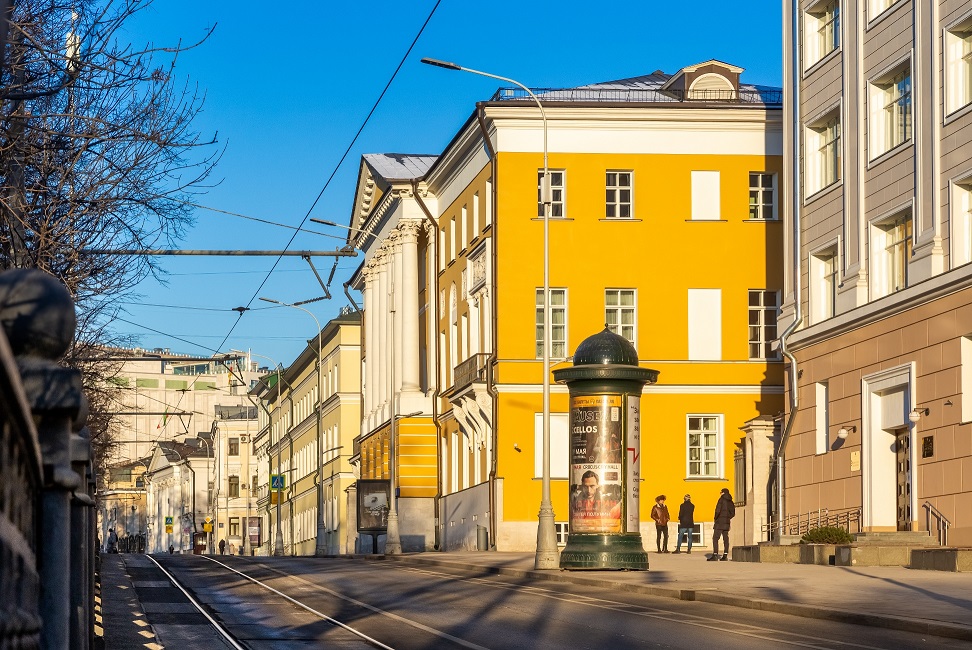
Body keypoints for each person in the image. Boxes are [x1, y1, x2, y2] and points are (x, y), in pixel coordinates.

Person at [708, 488, 735, 561]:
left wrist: (715, 518)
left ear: (723, 493)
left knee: (715, 538)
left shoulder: (721, 500)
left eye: (721, 492)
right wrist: (727, 517)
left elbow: (717, 510)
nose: (720, 493)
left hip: (719, 522)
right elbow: (733, 513)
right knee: (726, 539)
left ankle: (715, 555)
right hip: (726, 522)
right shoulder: (731, 501)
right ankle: (725, 555)